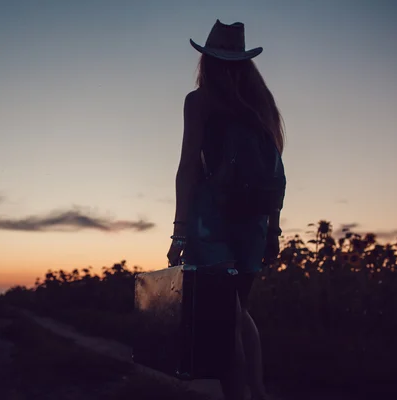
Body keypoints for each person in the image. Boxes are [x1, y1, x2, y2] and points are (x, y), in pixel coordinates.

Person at [166, 20, 285, 400]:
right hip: (253, 221)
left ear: (207, 59)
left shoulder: (198, 100)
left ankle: (240, 396)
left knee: (224, 316)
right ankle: (260, 392)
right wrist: (272, 230)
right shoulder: (261, 105)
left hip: (210, 221)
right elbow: (276, 174)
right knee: (238, 310)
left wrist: (180, 231)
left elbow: (188, 167)